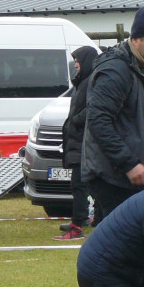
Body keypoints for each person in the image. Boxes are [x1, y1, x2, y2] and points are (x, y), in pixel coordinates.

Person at [81, 6, 144, 220]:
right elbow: (98, 122)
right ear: (135, 39)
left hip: (132, 175)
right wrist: (130, 164)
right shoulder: (115, 71)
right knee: (122, 236)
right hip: (112, 177)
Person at [54, 46, 99, 240]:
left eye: (78, 61)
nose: (76, 65)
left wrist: (76, 120)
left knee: (79, 184)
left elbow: (92, 108)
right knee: (83, 185)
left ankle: (78, 224)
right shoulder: (82, 82)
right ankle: (86, 219)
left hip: (84, 142)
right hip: (78, 141)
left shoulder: (91, 82)